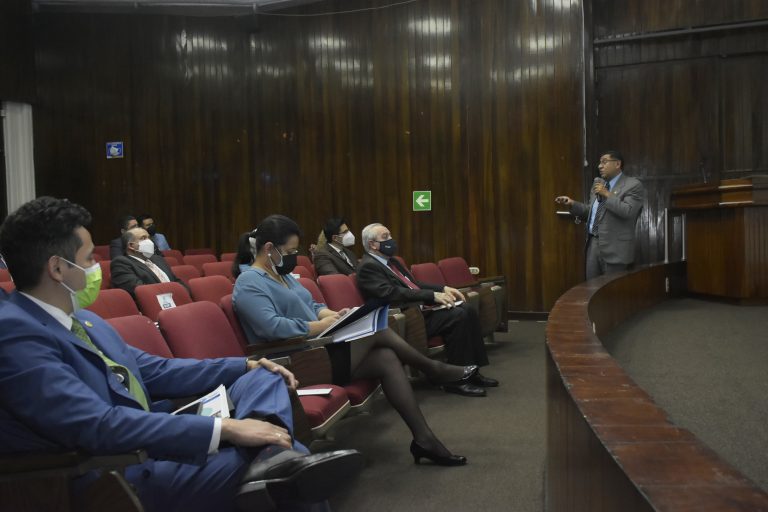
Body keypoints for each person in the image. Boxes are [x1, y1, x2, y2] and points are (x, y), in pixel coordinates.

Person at [0, 197, 363, 512]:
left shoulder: (84, 319)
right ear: (57, 268)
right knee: (291, 467)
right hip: (119, 469)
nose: (96, 265)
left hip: (156, 435)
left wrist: (244, 364)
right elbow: (99, 425)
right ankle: (275, 457)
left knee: (262, 376)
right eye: (88, 258)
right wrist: (225, 428)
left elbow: (156, 371)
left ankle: (270, 455)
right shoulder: (15, 334)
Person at [232, 215, 475, 466]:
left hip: (318, 349)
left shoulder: (281, 276)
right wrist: (322, 326)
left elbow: (312, 306)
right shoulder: (249, 281)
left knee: (386, 358)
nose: (293, 256)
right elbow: (272, 327)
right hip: (294, 363)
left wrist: (333, 316)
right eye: (290, 251)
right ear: (269, 248)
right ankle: (434, 370)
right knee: (376, 330)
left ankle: (425, 440)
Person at [356, 223, 498, 397]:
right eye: (385, 237)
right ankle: (455, 380)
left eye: (390, 235)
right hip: (406, 320)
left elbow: (414, 284)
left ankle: (473, 372)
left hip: (420, 312)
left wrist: (442, 288)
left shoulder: (392, 261)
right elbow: (390, 293)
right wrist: (432, 296)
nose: (391, 240)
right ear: (372, 244)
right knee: (458, 316)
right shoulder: (368, 267)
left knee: (468, 310)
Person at [555, 150, 645, 280]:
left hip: (616, 249)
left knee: (612, 289)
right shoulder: (599, 185)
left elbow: (628, 212)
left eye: (604, 162)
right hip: (593, 244)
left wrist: (607, 194)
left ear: (617, 164)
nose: (599, 166)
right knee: (592, 288)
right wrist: (572, 204)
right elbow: (592, 214)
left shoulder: (633, 185)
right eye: (599, 162)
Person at [111, 227, 187, 299]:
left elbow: (176, 281)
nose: (149, 241)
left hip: (178, 299)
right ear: (131, 245)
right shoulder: (121, 263)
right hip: (157, 303)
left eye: (149, 237)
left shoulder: (158, 259)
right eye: (143, 238)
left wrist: (186, 296)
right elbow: (141, 290)